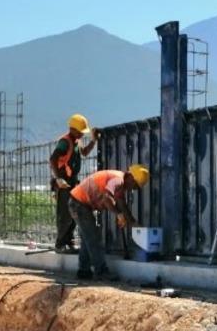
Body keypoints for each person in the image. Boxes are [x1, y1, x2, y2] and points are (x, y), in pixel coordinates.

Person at [68, 164, 150, 280]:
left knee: (88, 239)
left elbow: (121, 203)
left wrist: (130, 221)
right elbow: (106, 199)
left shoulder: (120, 184)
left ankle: (84, 271)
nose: (133, 189)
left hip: (78, 203)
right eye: (135, 185)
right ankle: (101, 271)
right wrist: (120, 215)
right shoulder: (117, 180)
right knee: (93, 237)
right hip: (79, 204)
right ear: (131, 177)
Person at [49, 114, 97, 252]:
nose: (82, 134)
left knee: (74, 213)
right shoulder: (65, 142)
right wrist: (58, 178)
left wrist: (93, 141)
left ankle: (68, 242)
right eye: (81, 131)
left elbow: (85, 152)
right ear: (73, 129)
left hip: (72, 182)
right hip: (64, 182)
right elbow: (53, 159)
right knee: (64, 214)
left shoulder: (76, 142)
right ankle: (60, 244)